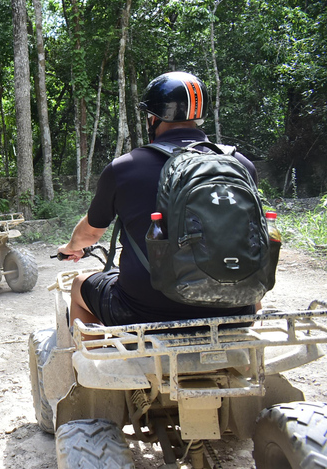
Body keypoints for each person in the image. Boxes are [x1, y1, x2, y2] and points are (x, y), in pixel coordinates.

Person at [56, 71, 260, 332]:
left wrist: (72, 246)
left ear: (153, 117)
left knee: (79, 285)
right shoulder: (240, 164)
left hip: (142, 310)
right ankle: (246, 358)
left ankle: (95, 367)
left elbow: (91, 233)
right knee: (254, 294)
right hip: (236, 306)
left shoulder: (125, 169)